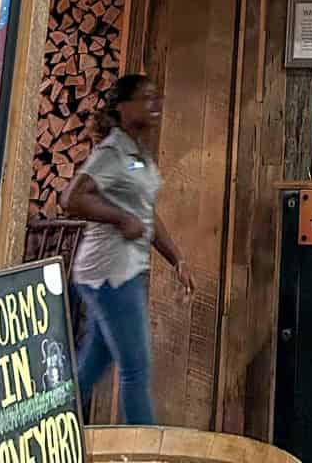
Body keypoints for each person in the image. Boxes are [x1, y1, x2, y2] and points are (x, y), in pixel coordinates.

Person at [62, 74, 194, 423]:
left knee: (93, 365)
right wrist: (120, 218)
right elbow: (71, 198)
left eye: (157, 97)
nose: (155, 104)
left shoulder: (137, 154)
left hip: (124, 271)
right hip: (109, 273)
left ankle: (47, 423)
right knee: (136, 370)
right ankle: (144, 451)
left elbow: (146, 213)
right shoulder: (111, 152)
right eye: (146, 97)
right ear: (122, 108)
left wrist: (176, 258)